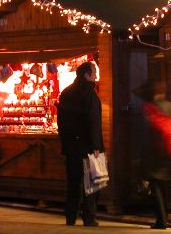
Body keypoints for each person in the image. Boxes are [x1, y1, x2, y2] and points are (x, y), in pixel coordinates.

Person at [57, 61, 103, 227]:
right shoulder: (90, 93)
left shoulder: (66, 92)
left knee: (73, 183)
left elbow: (60, 122)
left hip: (71, 147)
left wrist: (65, 140)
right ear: (86, 75)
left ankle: (70, 216)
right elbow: (93, 121)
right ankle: (89, 217)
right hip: (89, 147)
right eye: (94, 72)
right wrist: (96, 146)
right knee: (92, 184)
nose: (96, 75)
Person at [136, 80, 171, 230]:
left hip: (154, 152)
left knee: (155, 186)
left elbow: (144, 133)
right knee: (165, 184)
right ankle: (166, 216)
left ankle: (161, 220)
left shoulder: (148, 108)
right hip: (170, 150)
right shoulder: (170, 105)